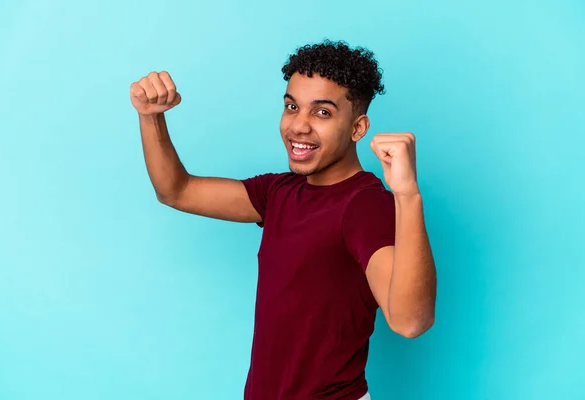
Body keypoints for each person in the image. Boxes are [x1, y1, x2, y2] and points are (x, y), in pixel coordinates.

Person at [129, 40, 437, 400]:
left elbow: (410, 321)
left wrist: (407, 194)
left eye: (322, 112)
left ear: (358, 127)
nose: (299, 126)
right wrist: (150, 115)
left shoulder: (364, 206)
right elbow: (176, 190)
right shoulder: (279, 192)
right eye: (292, 107)